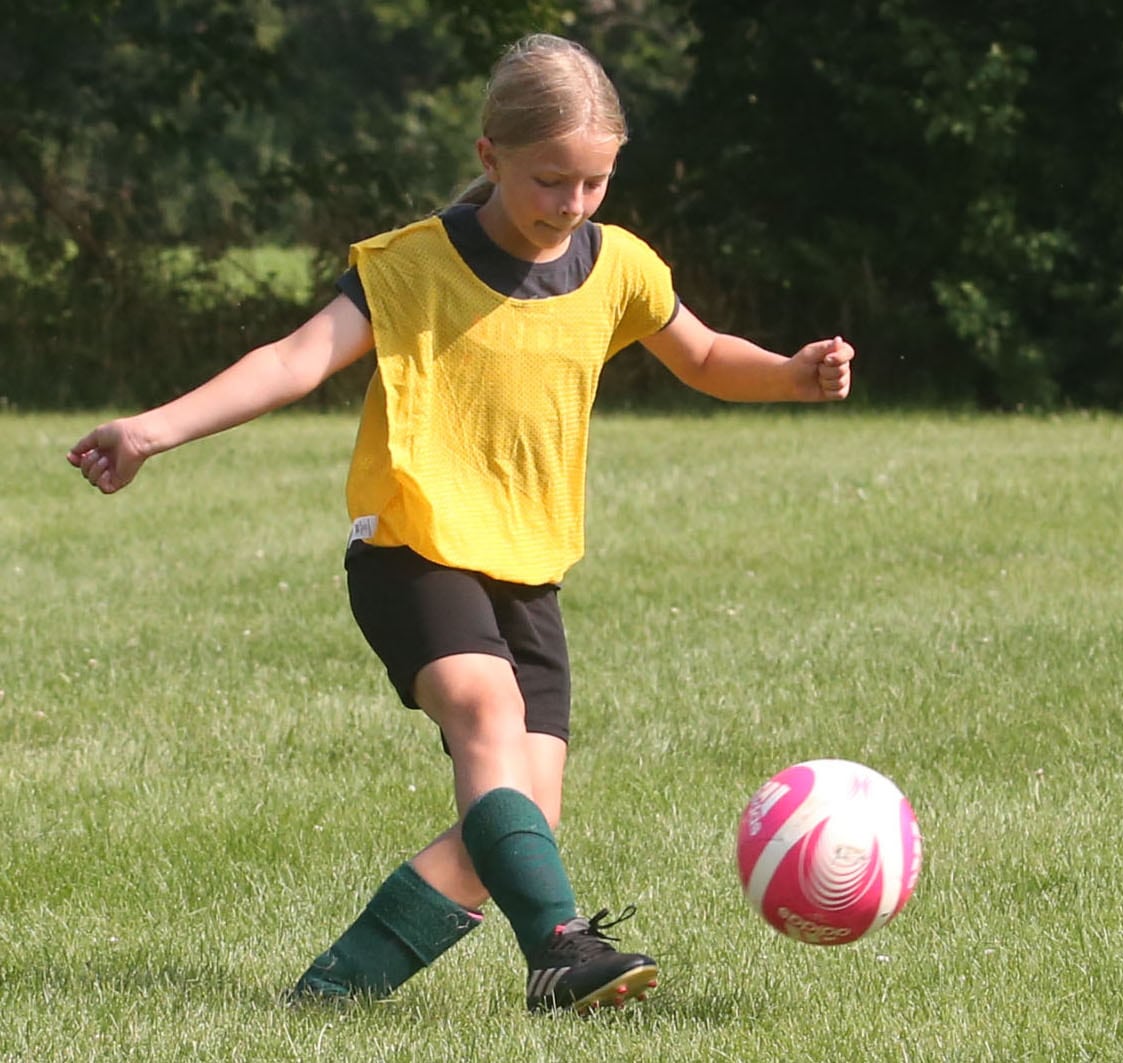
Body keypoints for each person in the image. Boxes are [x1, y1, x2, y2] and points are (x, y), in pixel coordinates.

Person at [68, 32, 854, 1015]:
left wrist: (790, 374)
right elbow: (294, 358)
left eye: (593, 183)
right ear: (489, 156)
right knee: (487, 722)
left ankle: (328, 999)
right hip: (412, 550)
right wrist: (152, 428)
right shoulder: (411, 266)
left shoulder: (620, 268)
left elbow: (701, 356)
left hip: (528, 571)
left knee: (522, 818)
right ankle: (560, 953)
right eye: (548, 180)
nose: (569, 205)